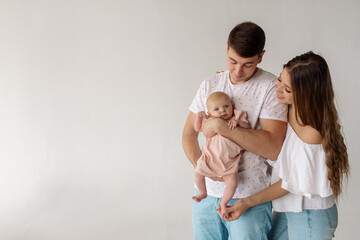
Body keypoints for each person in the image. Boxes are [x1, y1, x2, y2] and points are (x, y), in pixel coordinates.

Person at [221, 52, 350, 240]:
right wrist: (227, 82)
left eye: (287, 89)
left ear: (307, 93)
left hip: (310, 215)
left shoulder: (312, 131)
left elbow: (291, 182)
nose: (278, 89)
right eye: (280, 79)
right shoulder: (287, 107)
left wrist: (247, 202)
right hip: (287, 208)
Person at [182, 21, 288, 240]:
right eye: (232, 61)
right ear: (227, 47)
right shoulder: (210, 84)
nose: (238, 71)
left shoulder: (270, 87)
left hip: (249, 196)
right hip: (206, 195)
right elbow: (188, 135)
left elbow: (274, 148)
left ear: (261, 56)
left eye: (248, 65)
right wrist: (206, 168)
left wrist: (224, 128)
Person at [192, 91, 250, 217]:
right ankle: (202, 192)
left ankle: (224, 203)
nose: (222, 111)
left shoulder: (237, 117)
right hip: (209, 159)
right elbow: (197, 129)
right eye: (216, 109)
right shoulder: (210, 120)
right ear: (209, 113)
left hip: (230, 162)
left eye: (226, 106)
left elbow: (247, 127)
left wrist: (238, 123)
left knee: (232, 183)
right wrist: (199, 118)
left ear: (232, 106)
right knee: (198, 173)